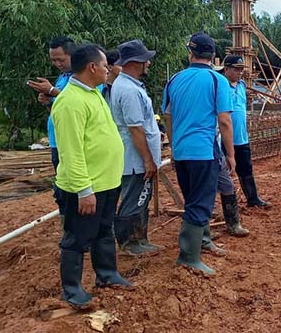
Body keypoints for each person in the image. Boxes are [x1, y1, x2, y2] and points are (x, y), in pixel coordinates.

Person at [51, 44, 130, 308]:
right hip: (85, 187)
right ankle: (72, 290)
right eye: (106, 65)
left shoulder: (93, 93)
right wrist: (84, 190)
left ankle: (107, 274)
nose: (109, 69)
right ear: (92, 67)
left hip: (107, 182)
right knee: (76, 239)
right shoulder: (69, 102)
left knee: (104, 231)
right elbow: (71, 151)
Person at [162, 33, 234, 276]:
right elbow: (224, 121)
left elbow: (168, 117)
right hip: (203, 151)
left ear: (190, 53)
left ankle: (203, 240)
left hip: (182, 151)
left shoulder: (174, 80)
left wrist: (174, 146)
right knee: (200, 201)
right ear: (213, 56)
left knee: (194, 197)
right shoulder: (217, 81)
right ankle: (188, 256)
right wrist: (231, 154)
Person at [108, 40, 162, 256]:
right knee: (134, 198)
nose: (148, 63)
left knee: (142, 197)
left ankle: (140, 239)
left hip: (137, 157)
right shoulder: (128, 90)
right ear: (134, 62)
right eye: (145, 60)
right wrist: (148, 159)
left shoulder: (129, 86)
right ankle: (128, 243)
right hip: (135, 158)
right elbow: (135, 128)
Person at [27, 36, 75, 219]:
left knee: (71, 185)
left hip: (70, 141)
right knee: (62, 184)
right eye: (54, 60)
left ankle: (73, 224)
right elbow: (61, 106)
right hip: (57, 140)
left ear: (72, 55)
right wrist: (48, 101)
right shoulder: (62, 77)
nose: (57, 64)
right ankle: (67, 220)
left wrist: (52, 91)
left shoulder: (83, 77)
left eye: (61, 59)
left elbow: (79, 104)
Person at [218, 55, 272, 209]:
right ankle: (227, 206)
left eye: (241, 69)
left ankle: (253, 198)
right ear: (226, 69)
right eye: (236, 69)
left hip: (241, 137)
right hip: (224, 138)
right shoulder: (220, 86)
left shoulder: (241, 85)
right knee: (223, 173)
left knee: (246, 169)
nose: (240, 72)